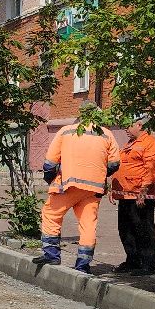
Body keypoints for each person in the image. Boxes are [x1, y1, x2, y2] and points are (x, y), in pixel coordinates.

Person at [41, 116, 120, 272]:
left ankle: (51, 255)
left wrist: (49, 179)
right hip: (94, 188)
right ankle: (83, 265)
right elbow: (114, 163)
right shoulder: (106, 134)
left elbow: (50, 163)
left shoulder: (66, 131)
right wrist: (100, 175)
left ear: (77, 121)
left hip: (67, 185)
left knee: (51, 214)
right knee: (88, 224)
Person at [111, 119, 155, 275]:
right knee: (126, 230)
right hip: (125, 195)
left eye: (128, 125)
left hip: (140, 196)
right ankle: (133, 261)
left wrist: (143, 190)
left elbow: (152, 169)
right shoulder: (130, 144)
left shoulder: (150, 144)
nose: (125, 129)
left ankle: (149, 265)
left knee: (144, 230)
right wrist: (114, 189)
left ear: (139, 125)